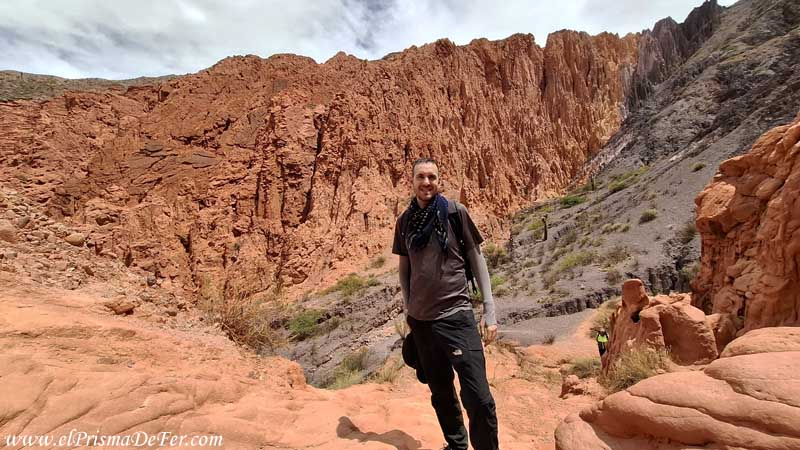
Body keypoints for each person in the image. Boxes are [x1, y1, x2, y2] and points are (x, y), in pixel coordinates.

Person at [392, 157, 499, 450]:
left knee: (478, 395)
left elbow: (477, 260)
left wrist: (490, 311)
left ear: (440, 181)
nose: (427, 183)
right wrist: (408, 308)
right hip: (422, 322)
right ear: (411, 182)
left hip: (456, 315)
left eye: (432, 177)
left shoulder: (454, 212)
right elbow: (405, 269)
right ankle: (456, 445)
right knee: (440, 391)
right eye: (421, 177)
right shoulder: (405, 222)